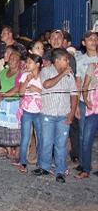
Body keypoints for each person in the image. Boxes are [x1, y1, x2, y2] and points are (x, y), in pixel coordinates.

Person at [34, 48, 78, 183]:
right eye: (65, 59)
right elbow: (47, 85)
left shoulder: (70, 75)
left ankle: (60, 171)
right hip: (48, 113)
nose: (68, 61)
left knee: (61, 144)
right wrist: (62, 74)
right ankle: (44, 167)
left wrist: (71, 113)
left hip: (63, 115)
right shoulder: (46, 71)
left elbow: (74, 95)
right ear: (57, 60)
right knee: (46, 142)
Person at [74, 31, 98, 171]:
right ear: (84, 42)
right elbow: (78, 82)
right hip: (84, 101)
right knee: (84, 134)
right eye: (90, 39)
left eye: (95, 39)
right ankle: (83, 164)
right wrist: (76, 104)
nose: (93, 41)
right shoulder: (80, 60)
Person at [16, 54, 43, 173]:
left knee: (41, 138)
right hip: (27, 111)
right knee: (25, 137)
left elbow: (48, 92)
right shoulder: (25, 75)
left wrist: (37, 90)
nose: (27, 64)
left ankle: (41, 162)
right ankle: (23, 162)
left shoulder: (43, 77)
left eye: (30, 62)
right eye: (27, 62)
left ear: (37, 64)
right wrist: (27, 81)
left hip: (40, 112)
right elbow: (21, 93)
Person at [0, 49, 22, 161]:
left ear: (19, 62)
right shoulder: (2, 72)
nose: (12, 61)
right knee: (4, 128)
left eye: (15, 59)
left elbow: (18, 88)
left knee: (16, 129)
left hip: (14, 103)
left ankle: (18, 152)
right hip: (2, 104)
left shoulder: (21, 74)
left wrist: (4, 95)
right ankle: (9, 150)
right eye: (10, 58)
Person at [77, 61, 98, 179]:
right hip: (93, 109)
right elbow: (85, 86)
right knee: (86, 140)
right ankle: (85, 169)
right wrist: (85, 100)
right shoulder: (93, 66)